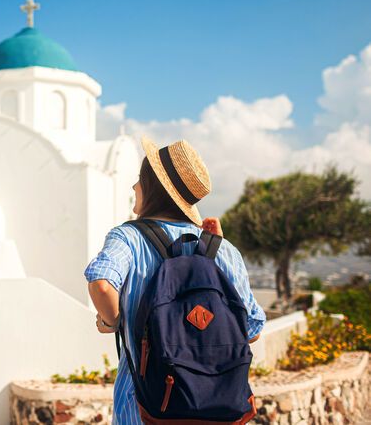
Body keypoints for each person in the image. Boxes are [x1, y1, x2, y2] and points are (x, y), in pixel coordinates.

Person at [84, 136, 266, 424]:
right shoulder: (224, 250)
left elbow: (102, 284)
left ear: (153, 188)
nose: (134, 187)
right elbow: (252, 330)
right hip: (217, 410)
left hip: (144, 408)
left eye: (139, 180)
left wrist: (111, 322)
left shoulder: (128, 237)